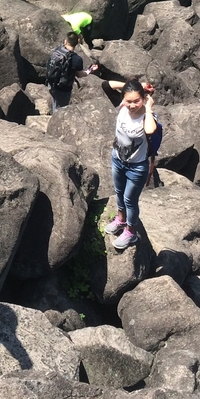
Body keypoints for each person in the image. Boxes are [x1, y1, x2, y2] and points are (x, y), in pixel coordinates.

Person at [103, 78, 157, 250]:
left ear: (143, 99)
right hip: (118, 159)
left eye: (136, 101)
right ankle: (120, 219)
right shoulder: (122, 107)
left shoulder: (147, 116)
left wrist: (148, 108)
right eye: (128, 100)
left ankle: (131, 232)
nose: (132, 105)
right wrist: (134, 86)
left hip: (136, 167)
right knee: (119, 193)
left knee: (129, 200)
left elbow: (150, 130)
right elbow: (106, 85)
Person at [46, 31, 97, 111]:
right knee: (60, 110)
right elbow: (79, 75)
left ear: (65, 41)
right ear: (77, 43)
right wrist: (90, 70)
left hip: (51, 82)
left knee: (55, 102)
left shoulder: (58, 50)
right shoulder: (77, 59)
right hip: (63, 88)